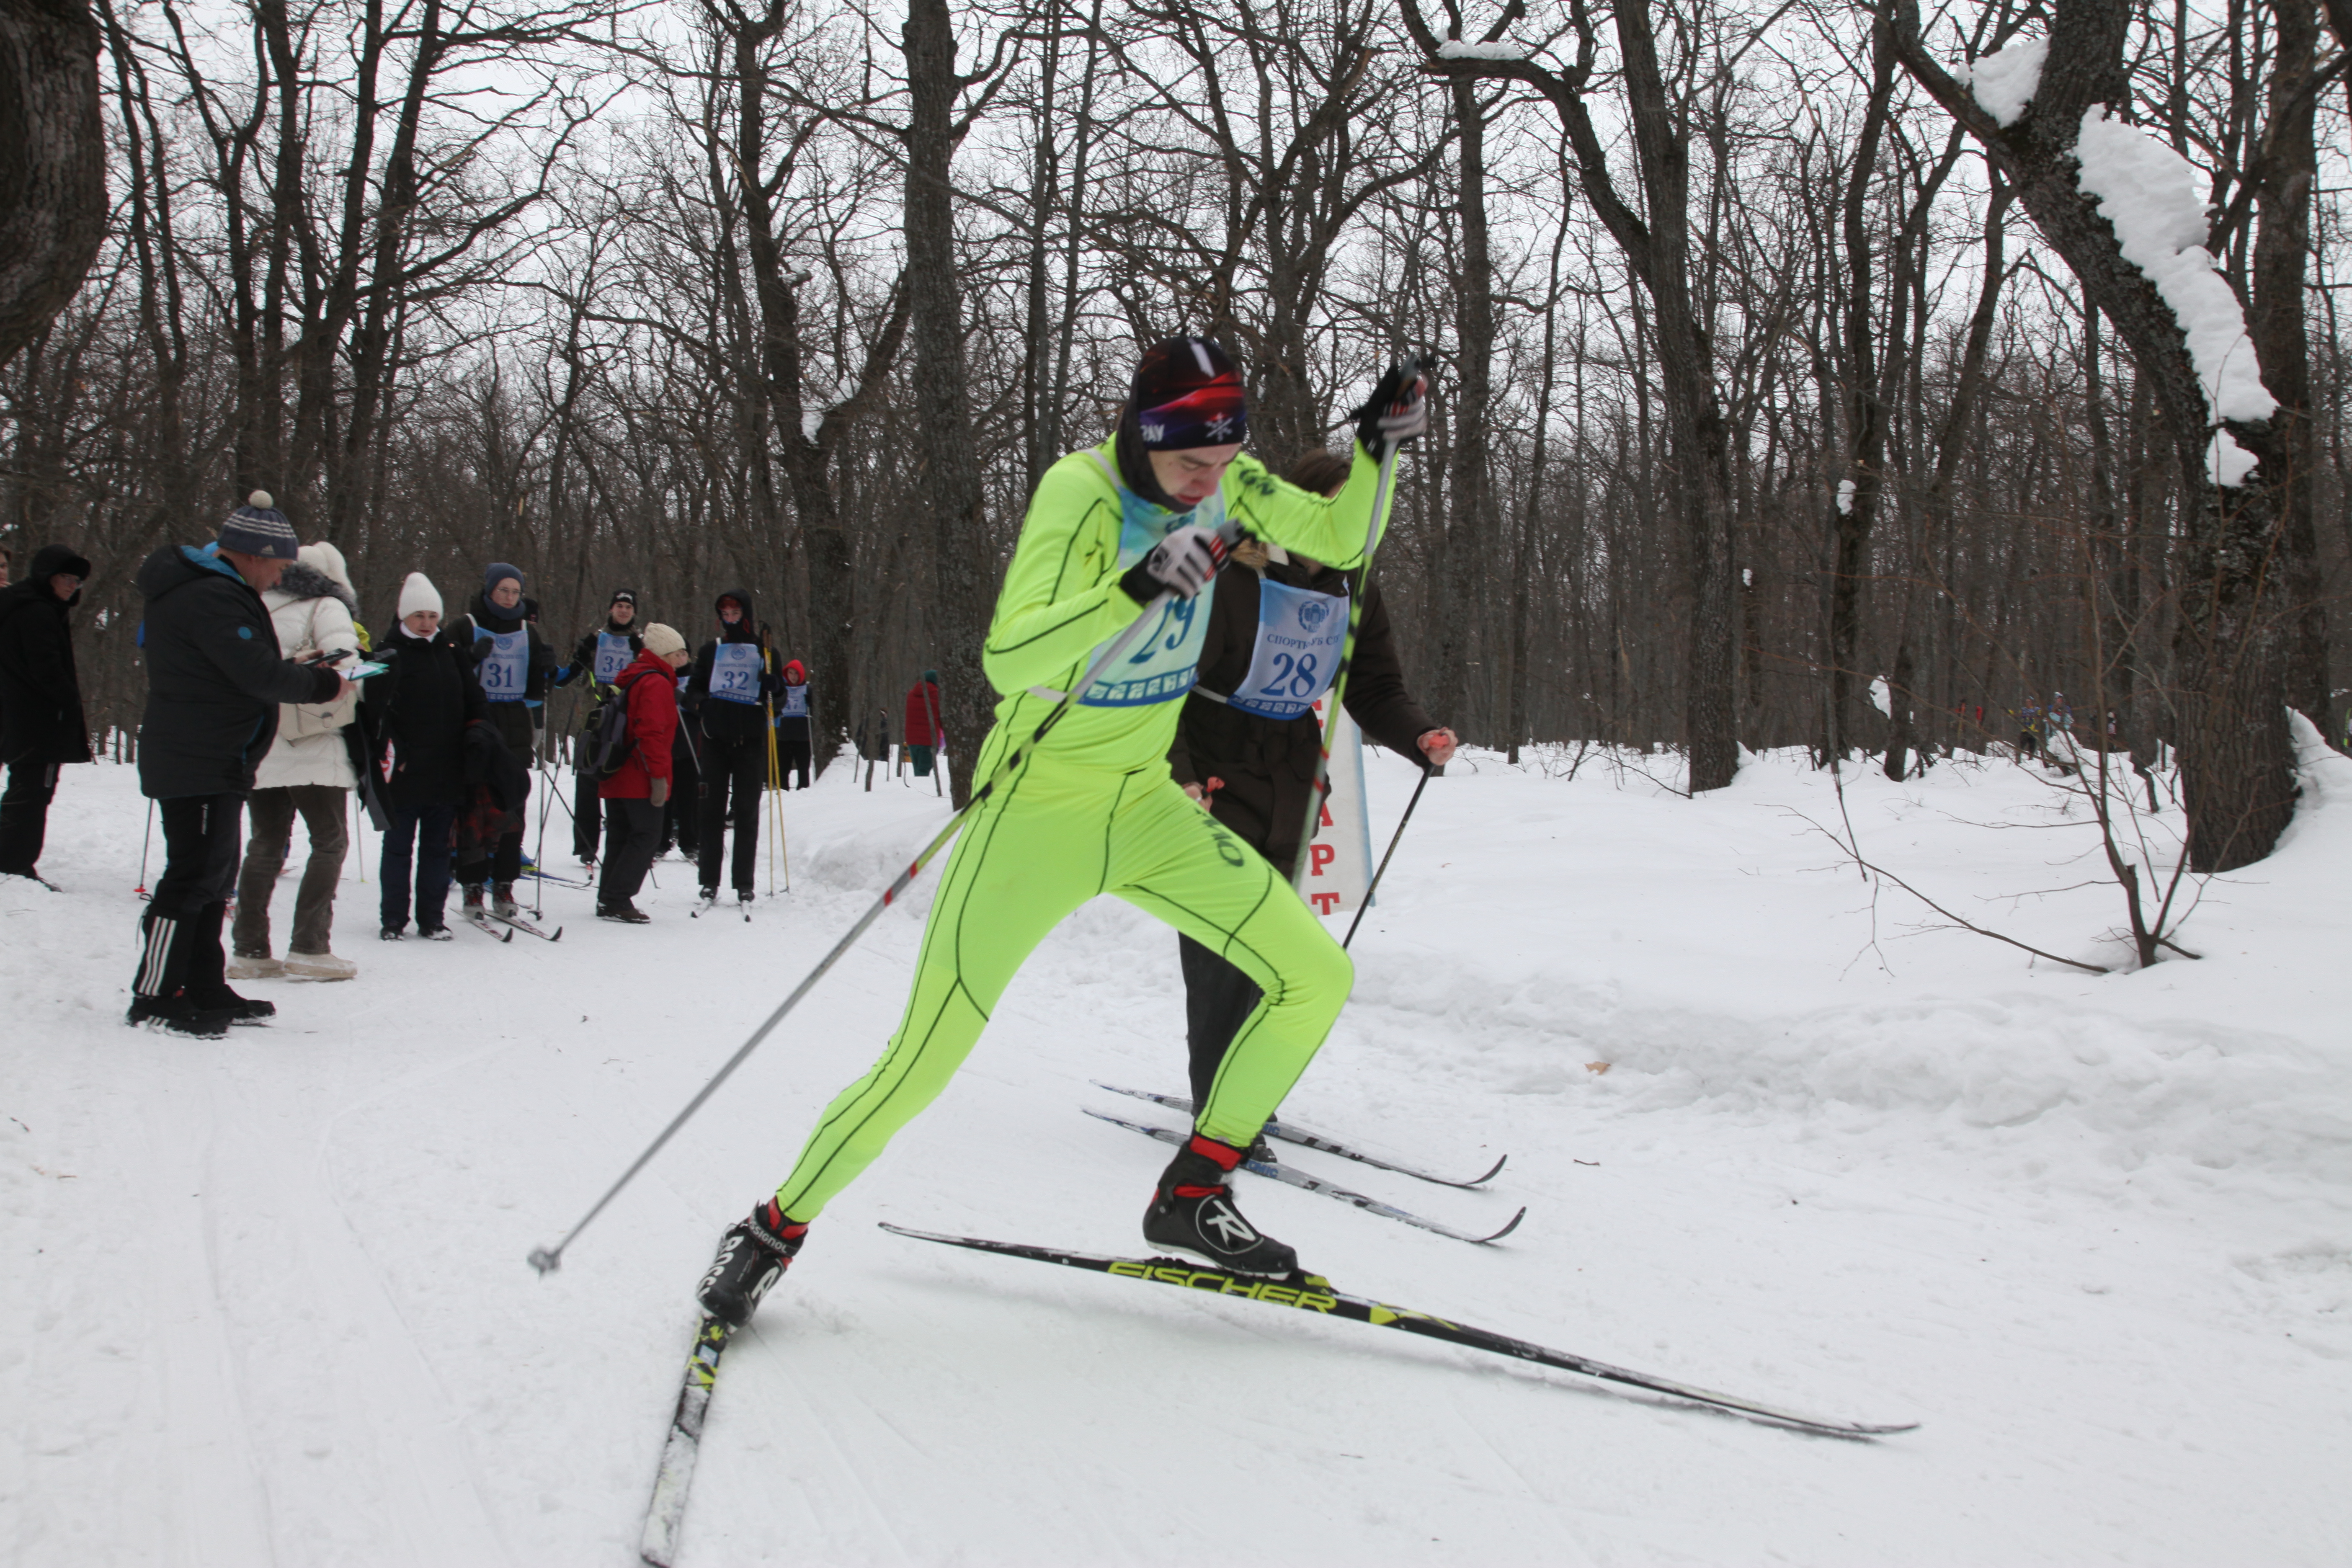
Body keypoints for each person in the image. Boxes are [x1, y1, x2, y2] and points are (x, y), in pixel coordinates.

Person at [694, 337, 1427, 1326]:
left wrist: (1379, 446)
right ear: (1144, 433)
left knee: (1315, 975)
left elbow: (1340, 539)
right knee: (925, 1056)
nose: (1211, 485)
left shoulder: (1229, 481)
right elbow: (1007, 656)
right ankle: (774, 1227)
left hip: (1145, 803)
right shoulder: (1077, 494)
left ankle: (1195, 1189)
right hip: (1036, 811)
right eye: (1190, 466)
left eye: (1224, 465)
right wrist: (1134, 584)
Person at [1168, 446, 1457, 1121]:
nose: (1348, 526)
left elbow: (1376, 687)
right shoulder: (1226, 567)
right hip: (1211, 774)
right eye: (1335, 509)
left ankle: (1250, 1093)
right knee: (1223, 954)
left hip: (1291, 784)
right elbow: (1163, 686)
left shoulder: (1356, 587)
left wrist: (1420, 736)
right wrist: (1177, 778)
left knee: (1277, 957)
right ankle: (1222, 1109)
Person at [127, 492, 350, 1036]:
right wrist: (323, 682)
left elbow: (243, 667)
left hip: (219, 755)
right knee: (192, 876)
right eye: (277, 563)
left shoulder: (218, 591)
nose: (279, 574)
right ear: (251, 553)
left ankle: (203, 982)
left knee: (213, 878)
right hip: (196, 756)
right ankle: (155, 991)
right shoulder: (210, 596)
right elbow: (256, 673)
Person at [230, 542, 364, 980]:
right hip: (313, 738)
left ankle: (250, 949)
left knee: (265, 843)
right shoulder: (327, 607)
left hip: (261, 736)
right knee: (330, 840)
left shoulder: (253, 603)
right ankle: (310, 945)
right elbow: (345, 667)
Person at [360, 573, 487, 940]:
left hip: (447, 768)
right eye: (420, 616)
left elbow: (473, 697)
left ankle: (432, 919)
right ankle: (393, 920)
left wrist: (479, 729)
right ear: (404, 616)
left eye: (433, 616)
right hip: (406, 770)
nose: (427, 623)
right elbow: (377, 710)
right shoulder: (389, 652)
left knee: (436, 849)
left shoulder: (451, 652)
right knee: (399, 849)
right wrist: (396, 748)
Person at [446, 562, 555, 917]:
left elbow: (536, 687)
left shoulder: (528, 630)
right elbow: (444, 671)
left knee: (513, 807)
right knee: (474, 810)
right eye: (503, 590)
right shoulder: (466, 626)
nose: (509, 598)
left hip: (514, 726)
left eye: (515, 592)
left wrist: (546, 670)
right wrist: (466, 659)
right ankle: (473, 886)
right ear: (489, 590)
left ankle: (505, 885)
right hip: (476, 724)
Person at [0, 543, 93, 882]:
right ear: (47, 577)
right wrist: (69, 701)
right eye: (66, 577)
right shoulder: (36, 611)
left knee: (28, 789)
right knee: (32, 792)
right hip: (38, 722)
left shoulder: (26, 606)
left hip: (24, 719)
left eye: (77, 580)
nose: (72, 585)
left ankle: (12, 858)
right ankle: (14, 862)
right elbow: (47, 670)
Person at [683, 589, 781, 908]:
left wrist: (773, 687)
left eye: (735, 612)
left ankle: (744, 883)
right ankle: (709, 881)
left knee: (747, 813)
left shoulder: (765, 652)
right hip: (715, 741)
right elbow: (692, 690)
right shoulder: (712, 650)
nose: (730, 617)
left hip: (751, 743)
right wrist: (703, 706)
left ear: (746, 614)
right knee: (710, 813)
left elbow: (778, 700)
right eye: (725, 612)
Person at [597, 623, 688, 923]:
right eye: (679, 654)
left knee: (621, 835)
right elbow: (652, 734)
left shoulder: (633, 676)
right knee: (647, 835)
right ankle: (618, 897)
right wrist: (659, 778)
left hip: (618, 769)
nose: (683, 660)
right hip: (640, 774)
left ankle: (608, 897)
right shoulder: (657, 683)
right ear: (665, 654)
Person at [553, 588, 642, 872]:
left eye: (628, 607)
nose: (624, 611)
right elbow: (565, 678)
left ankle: (624, 840)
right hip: (595, 718)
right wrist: (581, 654)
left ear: (634, 612)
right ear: (610, 609)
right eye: (619, 606)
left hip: (624, 720)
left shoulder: (639, 643)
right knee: (588, 783)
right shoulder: (596, 640)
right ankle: (587, 846)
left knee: (621, 783)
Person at [774, 658, 813, 789]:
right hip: (785, 736)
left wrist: (811, 702)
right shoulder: (783, 689)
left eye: (796, 673)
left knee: (803, 770)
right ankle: (782, 792)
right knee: (783, 769)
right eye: (791, 673)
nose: (793, 677)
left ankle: (802, 796)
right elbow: (775, 706)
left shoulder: (808, 689)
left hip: (803, 737)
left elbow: (815, 711)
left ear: (801, 674)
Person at [902, 669, 944, 779]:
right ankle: (920, 793)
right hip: (928, 739)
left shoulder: (911, 694)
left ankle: (917, 791)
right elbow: (942, 717)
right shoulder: (938, 695)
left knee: (918, 770)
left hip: (912, 739)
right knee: (924, 771)